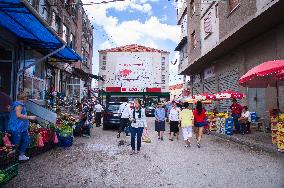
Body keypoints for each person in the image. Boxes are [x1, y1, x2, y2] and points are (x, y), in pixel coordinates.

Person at [8, 91, 37, 161]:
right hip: (17, 127)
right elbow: (18, 115)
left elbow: (10, 110)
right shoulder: (19, 105)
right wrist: (30, 117)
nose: (27, 99)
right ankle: (12, 159)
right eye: (26, 97)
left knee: (26, 140)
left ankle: (21, 155)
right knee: (16, 143)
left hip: (22, 127)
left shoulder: (16, 103)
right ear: (23, 98)